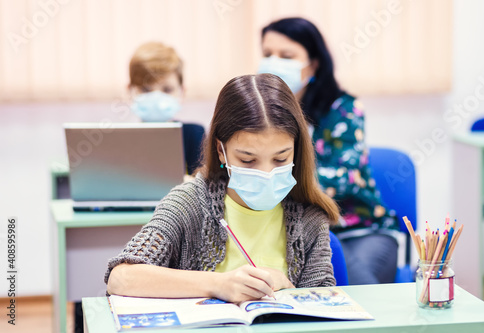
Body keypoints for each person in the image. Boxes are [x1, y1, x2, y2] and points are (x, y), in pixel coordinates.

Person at [105, 73, 340, 303]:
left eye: (280, 159)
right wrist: (220, 284)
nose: (266, 174)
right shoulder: (189, 203)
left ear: (297, 150)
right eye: (247, 160)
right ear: (221, 150)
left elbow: (323, 305)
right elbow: (122, 277)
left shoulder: (309, 216)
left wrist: (289, 290)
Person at [258, 17, 399, 285]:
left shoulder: (343, 109)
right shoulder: (263, 113)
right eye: (267, 54)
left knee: (355, 289)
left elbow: (343, 178)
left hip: (359, 231)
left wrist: (276, 180)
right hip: (293, 231)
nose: (274, 62)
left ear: (314, 63)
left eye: (286, 55)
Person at [128, 41, 205, 174]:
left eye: (167, 89)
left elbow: (205, 187)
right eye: (146, 89)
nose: (156, 97)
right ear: (131, 92)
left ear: (182, 92)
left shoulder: (194, 135)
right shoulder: (121, 139)